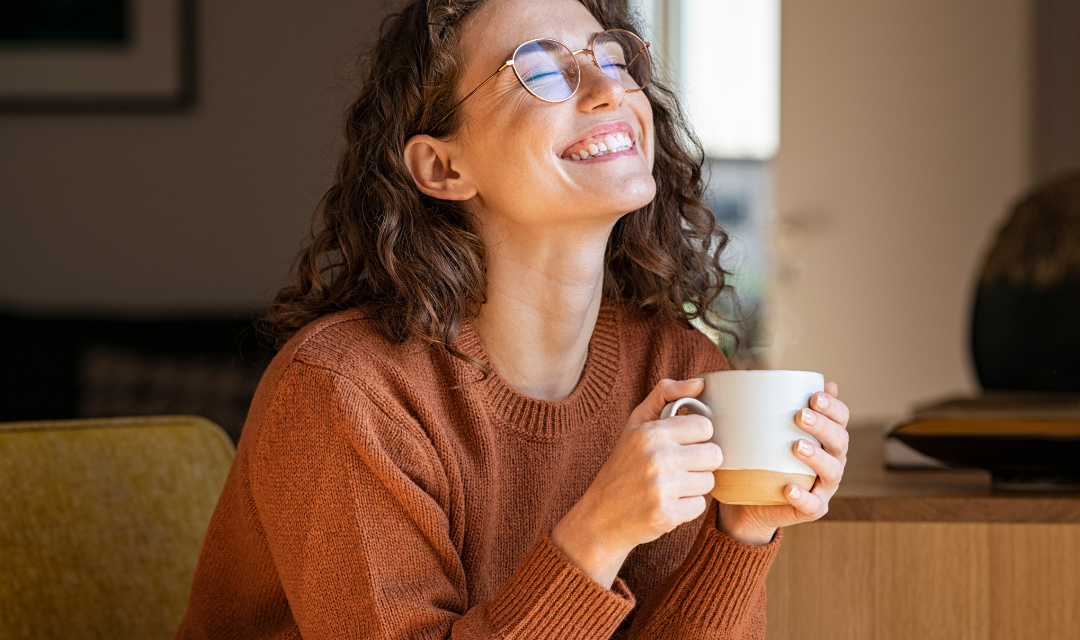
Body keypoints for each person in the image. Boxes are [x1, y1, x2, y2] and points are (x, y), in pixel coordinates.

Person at [175, 0, 851, 637]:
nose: (607, 89)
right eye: (539, 69)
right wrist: (597, 535)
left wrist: (743, 531)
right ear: (442, 166)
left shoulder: (678, 372)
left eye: (612, 58)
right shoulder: (345, 391)